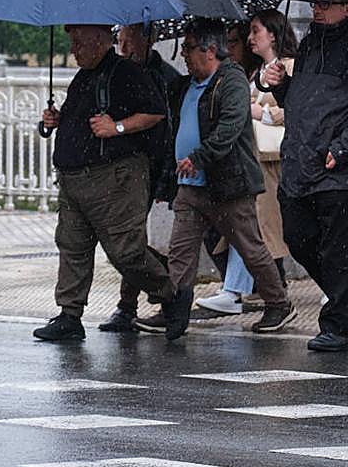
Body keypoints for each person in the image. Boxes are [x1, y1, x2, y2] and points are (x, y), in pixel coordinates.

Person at [135, 18, 296, 333]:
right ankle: (175, 311)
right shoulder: (186, 85)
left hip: (228, 183)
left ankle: (278, 303)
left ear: (209, 50)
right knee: (181, 251)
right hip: (191, 186)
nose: (183, 55)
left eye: (189, 48)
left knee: (250, 247)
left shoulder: (231, 80)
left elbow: (230, 127)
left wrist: (199, 157)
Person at [36, 24, 191, 342]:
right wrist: (55, 121)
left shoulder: (126, 72)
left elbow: (155, 113)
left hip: (114, 178)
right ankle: (69, 314)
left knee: (125, 251)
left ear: (99, 41)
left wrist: (117, 128)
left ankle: (171, 294)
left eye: (78, 42)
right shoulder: (84, 76)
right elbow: (81, 119)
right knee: (72, 246)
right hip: (74, 178)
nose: (73, 49)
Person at [262, 0, 348, 352]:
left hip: (342, 168)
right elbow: (303, 102)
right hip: (302, 162)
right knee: (298, 238)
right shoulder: (310, 44)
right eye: (314, 2)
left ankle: (337, 324)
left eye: (325, 2)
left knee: (336, 250)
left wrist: (344, 146)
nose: (316, 8)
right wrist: (281, 86)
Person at [195, 9, 298, 316]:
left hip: (271, 161)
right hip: (253, 158)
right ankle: (237, 289)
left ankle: (240, 290)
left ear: (273, 35)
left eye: (256, 31)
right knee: (249, 226)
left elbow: (292, 110)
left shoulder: (288, 67)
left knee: (258, 227)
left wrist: (258, 112)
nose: (251, 38)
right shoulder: (257, 73)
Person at [97, 22, 182, 333]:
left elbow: (168, 130)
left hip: (149, 165)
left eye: (128, 40)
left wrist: (164, 178)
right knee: (124, 237)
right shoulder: (116, 74)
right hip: (120, 164)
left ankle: (133, 302)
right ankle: (159, 284)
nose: (123, 48)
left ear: (148, 39)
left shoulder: (166, 78)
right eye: (120, 41)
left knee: (127, 238)